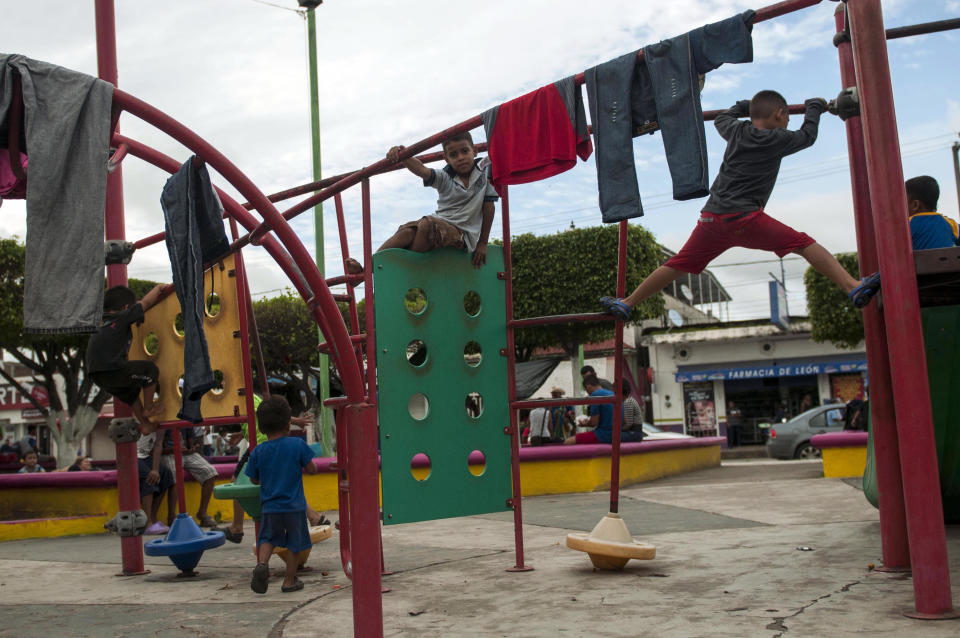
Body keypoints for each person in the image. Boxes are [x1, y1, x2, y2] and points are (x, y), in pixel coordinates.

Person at [601, 90, 881, 319]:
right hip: (746, 218)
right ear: (781, 114)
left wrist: (742, 106)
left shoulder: (735, 131)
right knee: (804, 244)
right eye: (785, 117)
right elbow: (807, 136)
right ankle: (852, 286)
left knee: (677, 264)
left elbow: (723, 117)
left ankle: (627, 302)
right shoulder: (778, 138)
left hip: (711, 219)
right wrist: (815, 108)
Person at [344, 132, 497, 274]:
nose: (460, 157)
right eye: (453, 154)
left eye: (465, 151)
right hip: (438, 224)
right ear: (446, 159)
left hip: (462, 235)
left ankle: (410, 270)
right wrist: (403, 155)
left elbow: (489, 208)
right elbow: (422, 170)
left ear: (475, 151)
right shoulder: (445, 177)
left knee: (427, 225)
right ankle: (365, 271)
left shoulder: (485, 173)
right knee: (406, 233)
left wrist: (482, 243)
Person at [215, 395, 325, 543]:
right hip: (260, 442)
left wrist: (292, 420)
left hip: (260, 444)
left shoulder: (246, 397)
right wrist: (242, 435)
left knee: (237, 483)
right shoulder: (245, 397)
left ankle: (237, 527)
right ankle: (313, 516)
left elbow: (271, 417)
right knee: (284, 483)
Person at [247, 395, 318, 594]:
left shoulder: (258, 451)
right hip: (294, 507)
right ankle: (289, 581)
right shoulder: (297, 445)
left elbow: (253, 479)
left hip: (270, 507)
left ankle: (262, 564)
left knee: (268, 538)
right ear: (288, 425)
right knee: (295, 543)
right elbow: (312, 469)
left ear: (261, 429)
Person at [86, 284, 166, 430]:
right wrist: (158, 288)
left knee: (131, 393)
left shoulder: (101, 322)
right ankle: (148, 407)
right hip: (112, 369)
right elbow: (146, 303)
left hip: (97, 375)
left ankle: (146, 425)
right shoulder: (121, 317)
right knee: (149, 370)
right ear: (125, 307)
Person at [160, 428, 219, 527]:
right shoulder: (164, 417)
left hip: (185, 454)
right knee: (175, 475)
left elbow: (190, 440)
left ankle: (202, 513)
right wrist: (173, 449)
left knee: (210, 472)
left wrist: (191, 448)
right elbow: (156, 448)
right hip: (168, 453)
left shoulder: (185, 416)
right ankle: (171, 517)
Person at [564, 375, 643, 445]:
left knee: (568, 441)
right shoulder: (616, 396)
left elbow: (594, 423)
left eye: (586, 390)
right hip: (617, 435)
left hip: (603, 435)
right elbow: (624, 422)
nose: (587, 393)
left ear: (588, 387)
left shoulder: (595, 395)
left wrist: (583, 424)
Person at [137, 428, 176, 535]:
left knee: (166, 474)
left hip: (145, 457)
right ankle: (147, 523)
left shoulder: (161, 423)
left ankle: (153, 517)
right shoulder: (141, 416)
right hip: (132, 456)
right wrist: (153, 470)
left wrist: (155, 469)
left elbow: (158, 445)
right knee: (148, 477)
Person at [905, 176, 958, 250]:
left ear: (915, 205)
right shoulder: (950, 223)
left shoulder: (907, 226)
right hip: (948, 261)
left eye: (903, 202)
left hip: (921, 261)